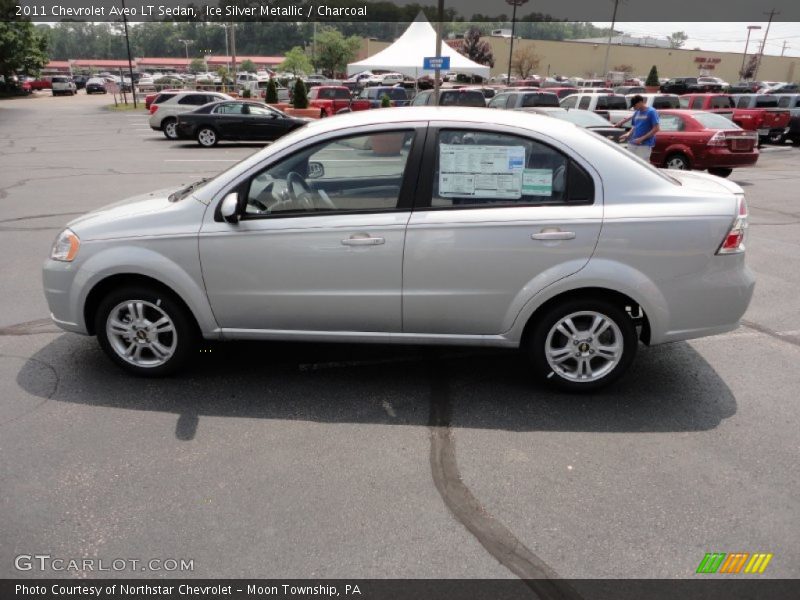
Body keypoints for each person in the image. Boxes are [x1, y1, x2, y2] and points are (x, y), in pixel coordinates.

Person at [620, 94, 660, 162]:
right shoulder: (637, 112)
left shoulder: (651, 112)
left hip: (644, 144)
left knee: (642, 164)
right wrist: (628, 134)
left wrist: (642, 139)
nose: (634, 108)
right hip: (633, 142)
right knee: (630, 162)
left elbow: (656, 128)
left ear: (640, 102)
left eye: (635, 105)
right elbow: (635, 126)